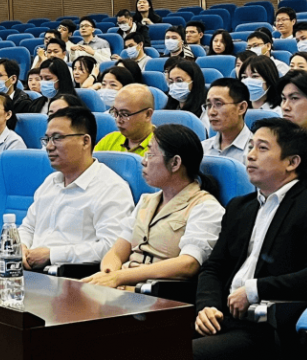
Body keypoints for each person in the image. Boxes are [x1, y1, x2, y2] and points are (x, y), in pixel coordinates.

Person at [190, 118, 307, 360]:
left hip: (266, 330)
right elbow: (214, 267)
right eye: (250, 146)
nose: (250, 155)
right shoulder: (240, 207)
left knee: (176, 359)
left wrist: (255, 290)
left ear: (292, 162)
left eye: (262, 148)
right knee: (134, 342)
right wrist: (207, 306)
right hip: (223, 320)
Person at [85, 124, 225, 289]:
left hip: (158, 294)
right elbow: (117, 251)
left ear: (175, 163)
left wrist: (120, 277)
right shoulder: (146, 201)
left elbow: (188, 264)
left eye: (150, 154)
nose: (144, 161)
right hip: (124, 287)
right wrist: (109, 273)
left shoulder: (205, 207)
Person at [18, 105, 134, 270]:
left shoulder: (111, 188)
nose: (49, 146)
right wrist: (21, 246)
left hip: (70, 276)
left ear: (85, 141)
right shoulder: (50, 182)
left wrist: (53, 255)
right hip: (29, 271)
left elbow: (112, 247)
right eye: (47, 139)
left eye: (57, 138)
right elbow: (28, 226)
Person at [94, 84, 155, 156]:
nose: (118, 120)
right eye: (115, 112)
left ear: (147, 114)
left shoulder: (161, 147)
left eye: (125, 114)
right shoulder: (109, 140)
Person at [202, 77, 252, 164]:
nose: (211, 112)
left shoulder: (257, 152)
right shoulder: (202, 149)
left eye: (219, 104)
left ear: (241, 108)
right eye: (209, 105)